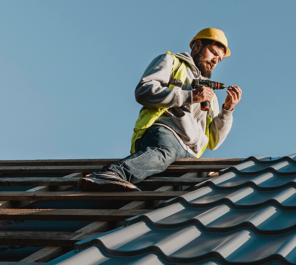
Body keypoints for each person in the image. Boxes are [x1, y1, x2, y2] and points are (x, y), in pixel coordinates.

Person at [78, 28, 242, 191]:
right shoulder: (172, 62)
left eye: (219, 59)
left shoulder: (210, 96)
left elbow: (214, 142)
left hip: (191, 154)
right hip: (167, 135)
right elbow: (144, 91)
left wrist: (227, 111)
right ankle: (111, 174)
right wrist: (190, 96)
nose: (215, 60)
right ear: (198, 46)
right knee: (164, 152)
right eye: (213, 53)